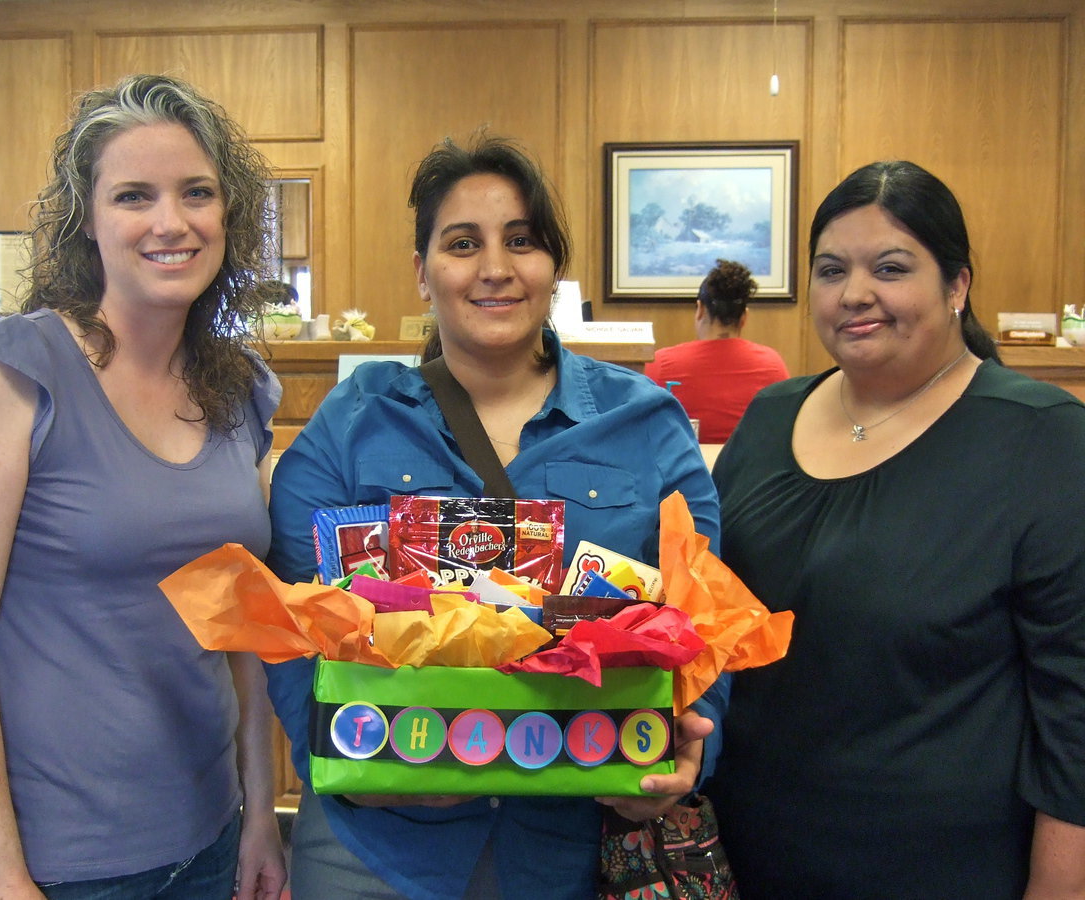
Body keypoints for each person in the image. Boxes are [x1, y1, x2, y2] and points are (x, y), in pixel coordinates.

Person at [264, 135, 726, 900]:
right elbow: (286, 625)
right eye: (462, 243)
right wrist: (331, 752)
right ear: (422, 272)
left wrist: (687, 753)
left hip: (573, 841)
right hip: (375, 848)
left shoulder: (646, 422)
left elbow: (706, 611)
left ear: (553, 268)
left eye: (522, 240)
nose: (495, 268)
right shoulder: (352, 423)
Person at [0, 74, 288, 900]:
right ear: (88, 218)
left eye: (197, 192)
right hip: (56, 863)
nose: (170, 222)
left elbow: (248, 630)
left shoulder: (242, 389)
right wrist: (1, 874)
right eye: (133, 195)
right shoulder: (10, 369)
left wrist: (262, 809)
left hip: (208, 836)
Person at [706, 160, 1085, 898]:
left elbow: (1077, 717)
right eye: (830, 269)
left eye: (890, 267)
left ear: (957, 286)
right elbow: (709, 622)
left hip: (940, 870)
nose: (854, 294)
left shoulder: (1044, 441)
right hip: (740, 860)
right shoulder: (769, 417)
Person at [644, 259, 788, 444]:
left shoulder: (661, 362)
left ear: (700, 310)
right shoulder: (772, 365)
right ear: (744, 317)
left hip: (685, 470)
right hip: (752, 471)